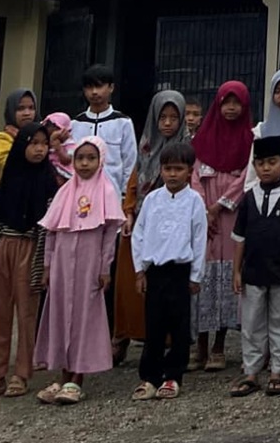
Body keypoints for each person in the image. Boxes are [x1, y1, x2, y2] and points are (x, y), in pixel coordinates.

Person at [33, 137, 125, 405]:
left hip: (89, 264)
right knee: (61, 313)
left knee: (84, 316)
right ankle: (62, 375)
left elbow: (109, 235)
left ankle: (77, 378)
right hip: (62, 264)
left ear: (101, 160)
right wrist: (48, 266)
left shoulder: (106, 190)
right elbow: (52, 232)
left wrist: (105, 267)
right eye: (80, 158)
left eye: (91, 158)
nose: (84, 163)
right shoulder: (65, 192)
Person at [113, 90, 188, 367]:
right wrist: (129, 213)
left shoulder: (187, 149)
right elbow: (133, 184)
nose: (167, 123)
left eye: (173, 117)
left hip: (171, 226)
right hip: (141, 220)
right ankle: (122, 336)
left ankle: (166, 341)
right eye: (162, 117)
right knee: (128, 277)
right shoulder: (145, 147)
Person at [230, 136, 280, 397]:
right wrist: (236, 271)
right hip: (253, 271)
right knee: (251, 323)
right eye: (261, 163)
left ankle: (277, 371)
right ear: (254, 165)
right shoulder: (249, 197)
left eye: (272, 162)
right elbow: (239, 238)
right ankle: (251, 372)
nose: (266, 168)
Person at [129, 142, 207, 401]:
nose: (172, 174)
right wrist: (140, 271)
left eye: (178, 169)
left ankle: (173, 375)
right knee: (154, 326)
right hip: (156, 271)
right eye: (167, 168)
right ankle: (149, 376)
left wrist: (196, 276)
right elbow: (138, 235)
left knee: (179, 326)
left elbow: (199, 239)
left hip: (181, 271)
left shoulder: (194, 201)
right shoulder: (152, 200)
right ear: (160, 170)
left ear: (189, 171)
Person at [0, 123, 57, 399]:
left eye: (44, 143)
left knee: (27, 314)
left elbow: (47, 228)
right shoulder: (9, 177)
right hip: (2, 245)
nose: (39, 149)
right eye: (33, 143)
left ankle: (22, 374)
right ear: (21, 145)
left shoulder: (48, 181)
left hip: (30, 247)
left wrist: (42, 263)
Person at [189, 81, 253, 372]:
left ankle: (218, 346)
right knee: (202, 278)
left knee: (227, 277)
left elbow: (246, 180)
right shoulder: (203, 139)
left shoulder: (249, 140)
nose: (230, 108)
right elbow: (194, 176)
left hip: (231, 216)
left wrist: (219, 206)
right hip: (204, 219)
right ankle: (199, 346)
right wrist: (204, 209)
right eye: (225, 102)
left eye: (235, 103)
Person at [71, 65, 137, 197]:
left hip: (113, 195)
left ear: (111, 88)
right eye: (89, 87)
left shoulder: (123, 122)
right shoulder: (76, 123)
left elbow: (130, 162)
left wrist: (125, 195)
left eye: (99, 86)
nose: (94, 92)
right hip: (80, 195)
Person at [0, 89, 38, 183]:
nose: (27, 113)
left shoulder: (42, 136)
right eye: (20, 108)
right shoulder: (0, 139)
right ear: (11, 111)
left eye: (31, 108)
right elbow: (13, 167)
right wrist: (22, 139)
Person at [42, 112, 77, 181]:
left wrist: (58, 148)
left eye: (56, 128)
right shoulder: (45, 141)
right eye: (47, 125)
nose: (49, 129)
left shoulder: (70, 144)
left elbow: (66, 160)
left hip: (65, 174)